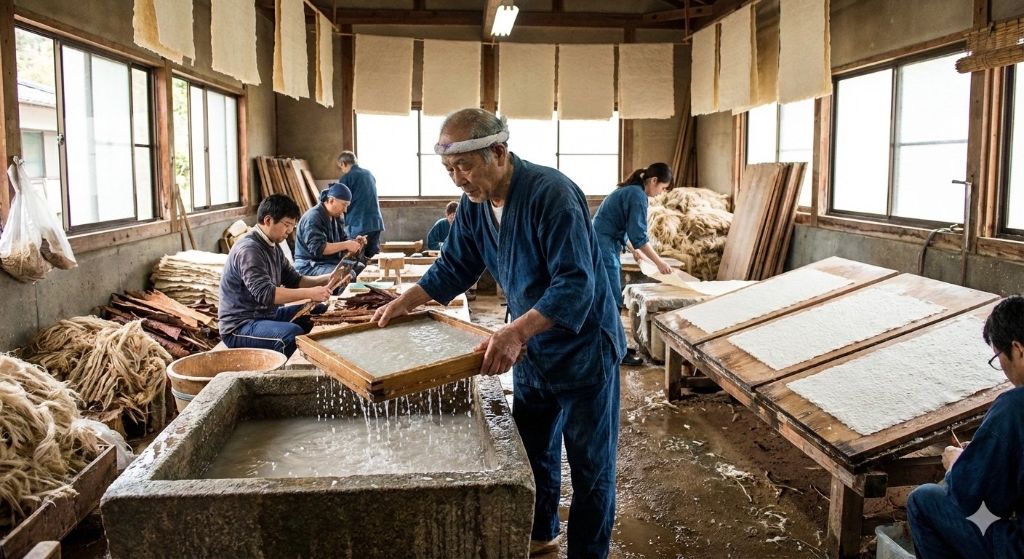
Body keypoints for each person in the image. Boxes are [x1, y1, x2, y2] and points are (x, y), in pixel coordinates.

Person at [372, 108, 626, 559]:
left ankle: (589, 553)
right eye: (449, 169)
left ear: (499, 152)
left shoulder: (552, 194)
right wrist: (406, 300)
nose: (458, 180)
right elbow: (455, 265)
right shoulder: (475, 206)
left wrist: (514, 332)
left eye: (464, 166)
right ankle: (542, 531)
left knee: (590, 465)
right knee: (533, 451)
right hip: (531, 348)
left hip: (582, 348)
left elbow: (575, 283)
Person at [906, 295, 1024, 558]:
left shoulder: (1014, 406)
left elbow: (973, 496)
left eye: (998, 357)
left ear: (1017, 349)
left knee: (924, 500)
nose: (1003, 368)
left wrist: (959, 463)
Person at [219, 194, 350, 357]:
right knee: (290, 334)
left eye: (292, 226)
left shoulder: (273, 245)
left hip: (266, 316)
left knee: (318, 310)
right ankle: (285, 369)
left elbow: (295, 280)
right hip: (239, 325)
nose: (290, 231)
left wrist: (331, 277)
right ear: (268, 220)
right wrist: (311, 293)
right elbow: (266, 294)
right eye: (287, 224)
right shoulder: (249, 249)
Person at [592, 163, 675, 366]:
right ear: (653, 181)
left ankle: (614, 345)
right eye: (662, 188)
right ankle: (615, 352)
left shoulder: (629, 190)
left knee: (609, 297)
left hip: (603, 243)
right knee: (611, 299)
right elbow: (639, 236)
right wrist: (660, 262)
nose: (660, 193)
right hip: (603, 247)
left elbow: (625, 228)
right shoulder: (637, 195)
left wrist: (634, 251)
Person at [293, 182, 367, 277]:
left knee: (360, 267)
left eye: (347, 206)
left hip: (327, 263)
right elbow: (319, 249)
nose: (345, 210)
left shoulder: (337, 217)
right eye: (344, 205)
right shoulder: (313, 217)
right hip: (309, 265)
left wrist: (355, 242)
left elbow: (343, 240)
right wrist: (346, 244)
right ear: (331, 200)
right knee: (347, 274)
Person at [336, 150, 384, 259]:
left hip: (358, 224)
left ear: (343, 163)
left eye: (341, 167)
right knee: (372, 259)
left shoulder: (346, 178)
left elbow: (340, 201)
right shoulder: (369, 174)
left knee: (355, 258)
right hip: (376, 223)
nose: (342, 170)